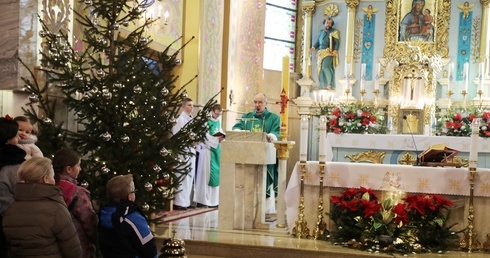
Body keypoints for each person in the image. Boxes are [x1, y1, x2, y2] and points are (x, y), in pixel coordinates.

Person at [2, 157, 82, 257]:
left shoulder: (11, 210)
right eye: (52, 177)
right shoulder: (56, 210)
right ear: (46, 179)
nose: (54, 180)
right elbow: (73, 252)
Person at [232, 93, 280, 205]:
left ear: (266, 103)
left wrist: (271, 136)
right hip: (248, 156)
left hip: (265, 155)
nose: (257, 105)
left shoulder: (273, 118)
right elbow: (237, 127)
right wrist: (239, 132)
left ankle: (266, 209)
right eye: (255, 102)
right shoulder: (247, 117)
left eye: (260, 102)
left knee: (264, 182)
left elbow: (276, 131)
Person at [53, 148, 98, 258]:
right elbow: (89, 222)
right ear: (68, 169)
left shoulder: (49, 188)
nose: (80, 169)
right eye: (78, 166)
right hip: (78, 245)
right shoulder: (78, 193)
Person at [98, 174, 158, 258]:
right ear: (129, 197)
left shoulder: (103, 214)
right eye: (134, 191)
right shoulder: (133, 217)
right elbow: (149, 248)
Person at [0, 116, 26, 256]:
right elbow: (22, 194)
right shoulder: (13, 167)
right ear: (7, 140)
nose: (19, 139)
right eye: (16, 136)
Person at [194, 104, 225, 208]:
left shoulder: (218, 121)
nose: (217, 116)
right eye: (216, 114)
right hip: (207, 151)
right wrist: (216, 139)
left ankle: (214, 201)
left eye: (219, 114)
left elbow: (220, 132)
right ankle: (204, 200)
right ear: (212, 111)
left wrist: (222, 137)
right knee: (205, 176)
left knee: (216, 175)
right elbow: (204, 136)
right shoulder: (205, 122)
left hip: (216, 151)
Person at [171, 97, 197, 210]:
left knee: (190, 176)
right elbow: (177, 137)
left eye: (192, 105)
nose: (191, 107)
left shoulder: (192, 120)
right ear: (183, 106)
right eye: (189, 105)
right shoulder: (179, 120)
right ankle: (179, 202)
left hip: (191, 150)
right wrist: (190, 140)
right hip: (183, 152)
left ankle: (187, 201)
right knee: (182, 176)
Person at [310, 18, 340, 90]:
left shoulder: (334, 32)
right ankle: (322, 85)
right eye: (327, 22)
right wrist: (314, 47)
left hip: (328, 52)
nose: (328, 24)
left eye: (330, 23)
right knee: (320, 69)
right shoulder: (321, 32)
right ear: (324, 23)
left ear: (331, 24)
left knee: (325, 67)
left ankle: (329, 84)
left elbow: (337, 42)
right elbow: (318, 41)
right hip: (320, 52)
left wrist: (335, 50)